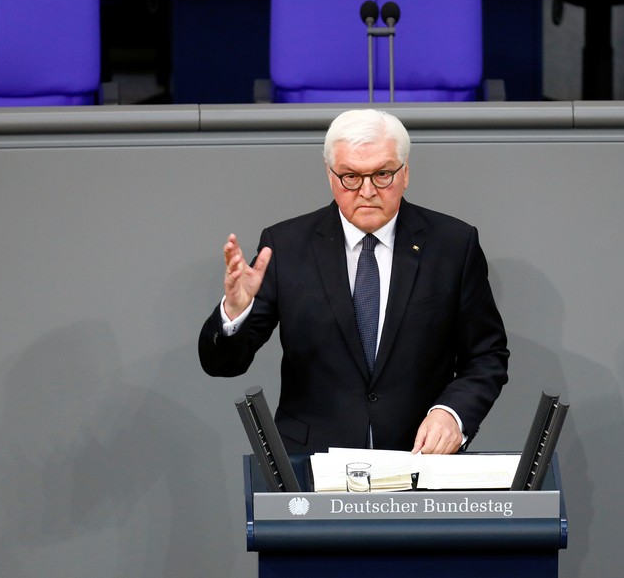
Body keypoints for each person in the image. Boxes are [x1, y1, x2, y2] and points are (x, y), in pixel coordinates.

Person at [199, 109, 509, 455]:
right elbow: (223, 364)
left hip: (419, 459)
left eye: (382, 174)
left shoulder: (452, 244)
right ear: (330, 176)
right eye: (350, 176)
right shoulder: (286, 246)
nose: (367, 191)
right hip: (312, 463)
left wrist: (452, 415)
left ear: (405, 173)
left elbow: (486, 355)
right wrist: (234, 313)